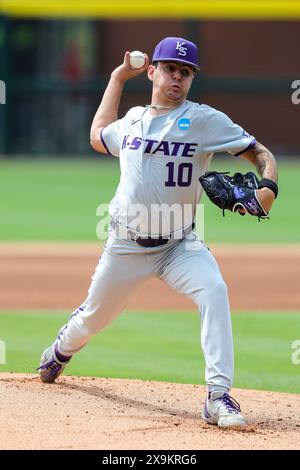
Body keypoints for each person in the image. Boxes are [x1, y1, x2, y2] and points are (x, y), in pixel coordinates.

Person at [38, 37, 278, 428]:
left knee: (214, 290)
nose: (177, 78)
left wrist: (268, 188)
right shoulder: (132, 120)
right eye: (170, 69)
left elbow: (261, 153)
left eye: (186, 73)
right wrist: (117, 78)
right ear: (152, 72)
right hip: (125, 246)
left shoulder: (204, 120)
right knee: (92, 318)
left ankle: (218, 397)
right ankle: (60, 351)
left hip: (180, 244)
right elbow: (97, 135)